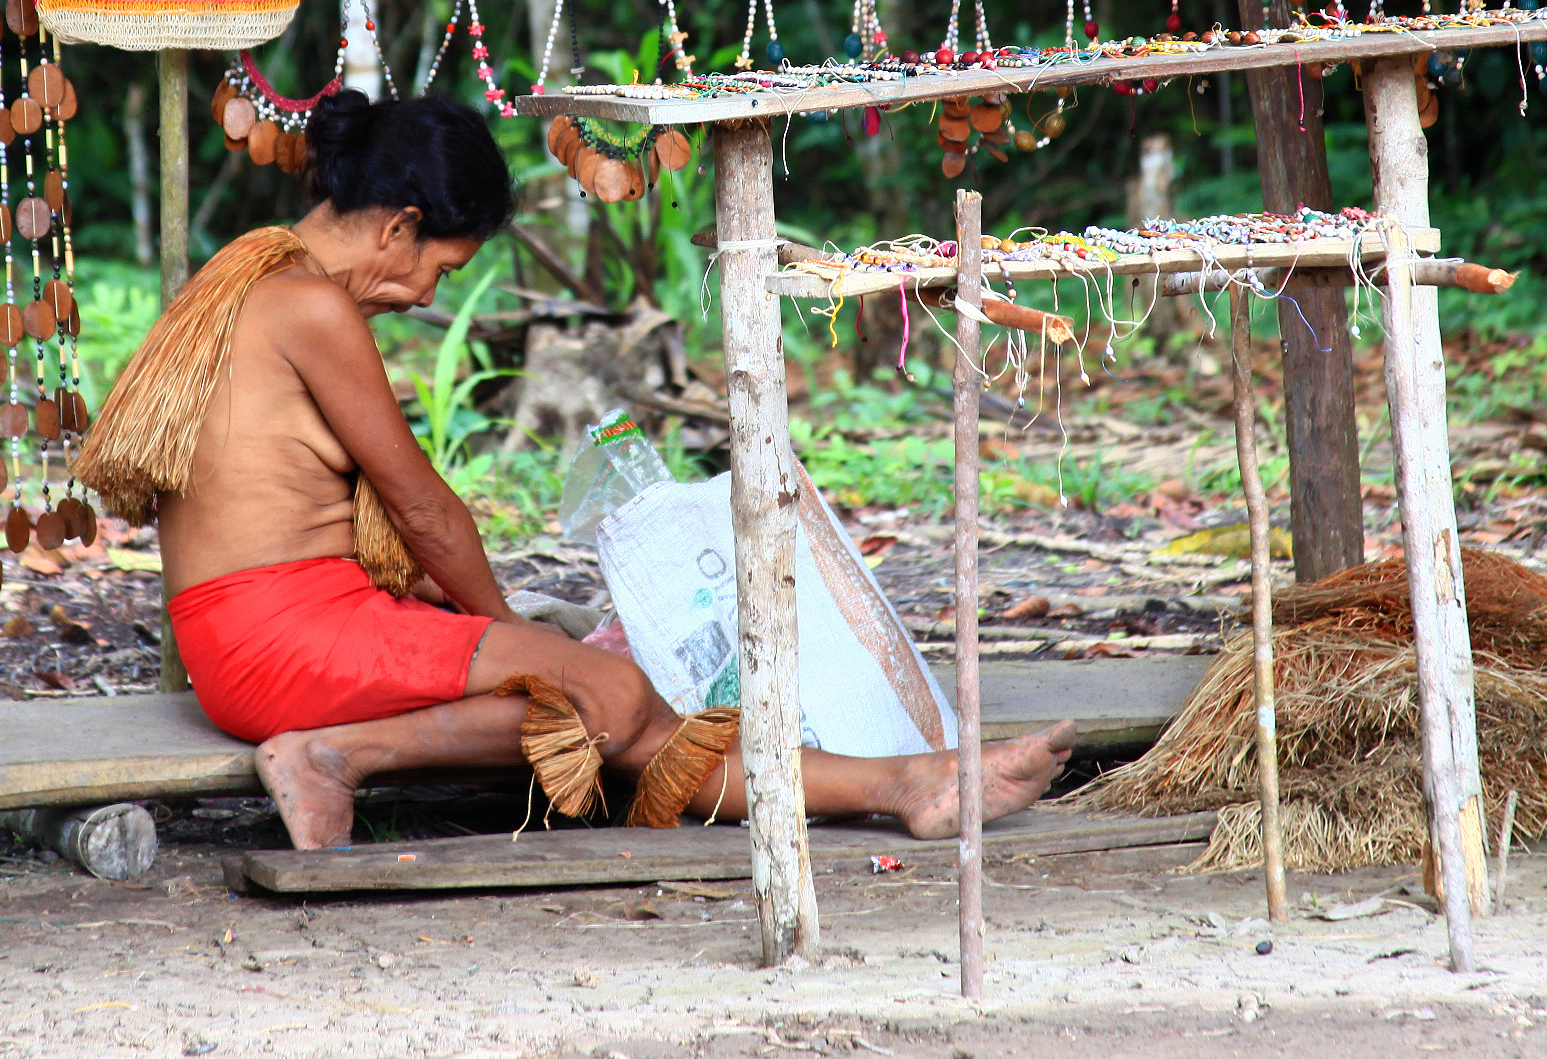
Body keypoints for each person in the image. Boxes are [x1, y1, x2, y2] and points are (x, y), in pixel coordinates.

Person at [75, 90, 1075, 849]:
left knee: (617, 697)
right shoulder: (310, 305)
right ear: (398, 227)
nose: (426, 294)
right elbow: (425, 508)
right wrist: (505, 631)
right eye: (440, 268)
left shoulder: (246, 268)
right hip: (276, 640)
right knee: (595, 693)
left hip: (251, 630)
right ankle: (335, 753)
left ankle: (905, 782)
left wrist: (514, 642)